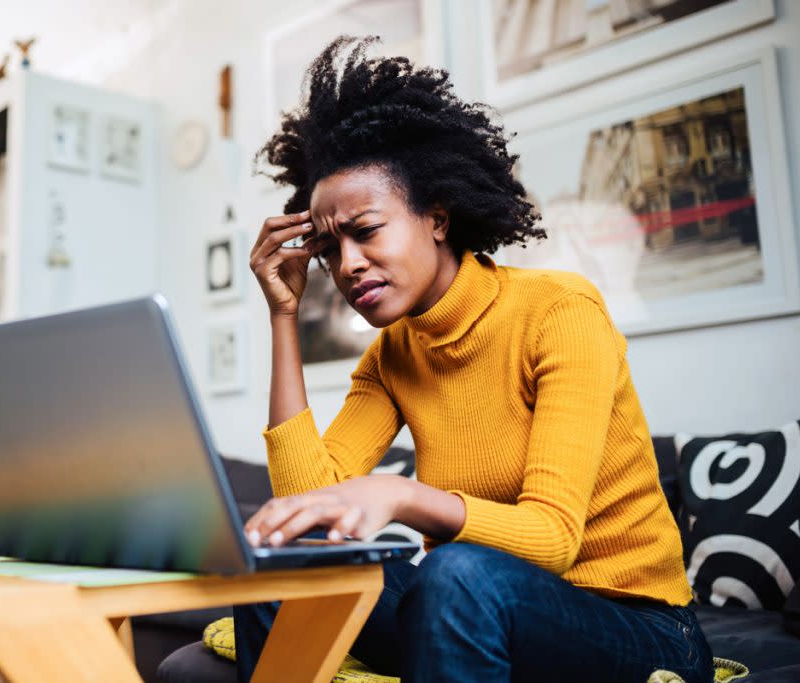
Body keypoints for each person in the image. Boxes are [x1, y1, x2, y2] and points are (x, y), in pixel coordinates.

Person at [237, 35, 714, 683]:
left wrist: (403, 494)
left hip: (636, 622)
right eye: (328, 247)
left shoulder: (560, 313)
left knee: (455, 570)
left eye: (366, 230)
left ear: (436, 217)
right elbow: (307, 506)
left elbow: (551, 539)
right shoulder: (393, 356)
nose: (346, 264)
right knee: (282, 561)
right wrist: (283, 315)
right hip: (470, 604)